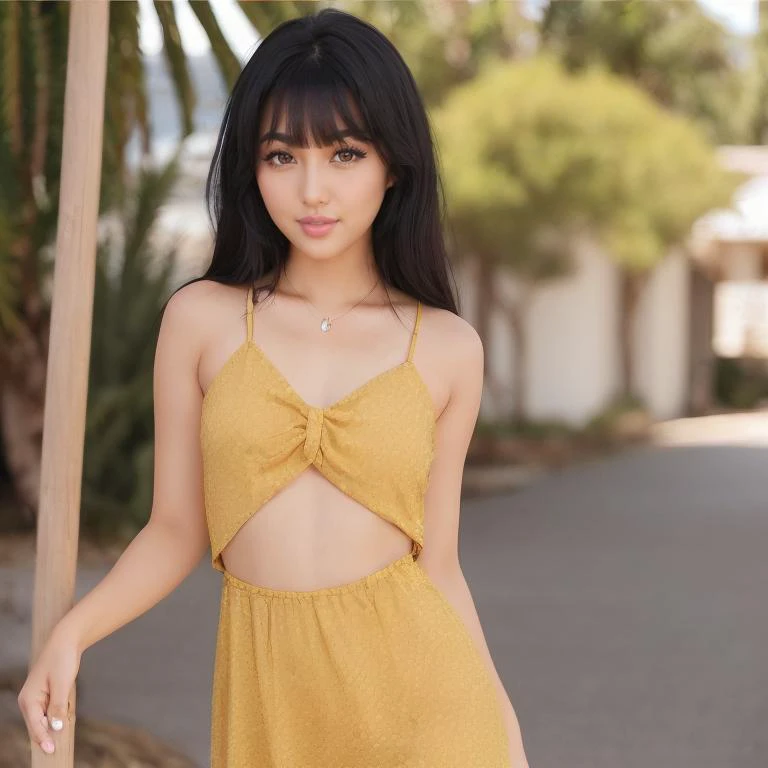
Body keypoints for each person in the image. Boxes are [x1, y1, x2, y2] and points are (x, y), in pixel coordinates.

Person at [18, 7, 530, 767]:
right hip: (273, 707)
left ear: (395, 164)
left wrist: (506, 735)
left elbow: (440, 566)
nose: (313, 189)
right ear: (251, 170)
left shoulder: (449, 347)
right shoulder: (201, 320)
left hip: (431, 712)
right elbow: (175, 530)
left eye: (346, 153)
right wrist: (72, 631)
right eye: (283, 155)